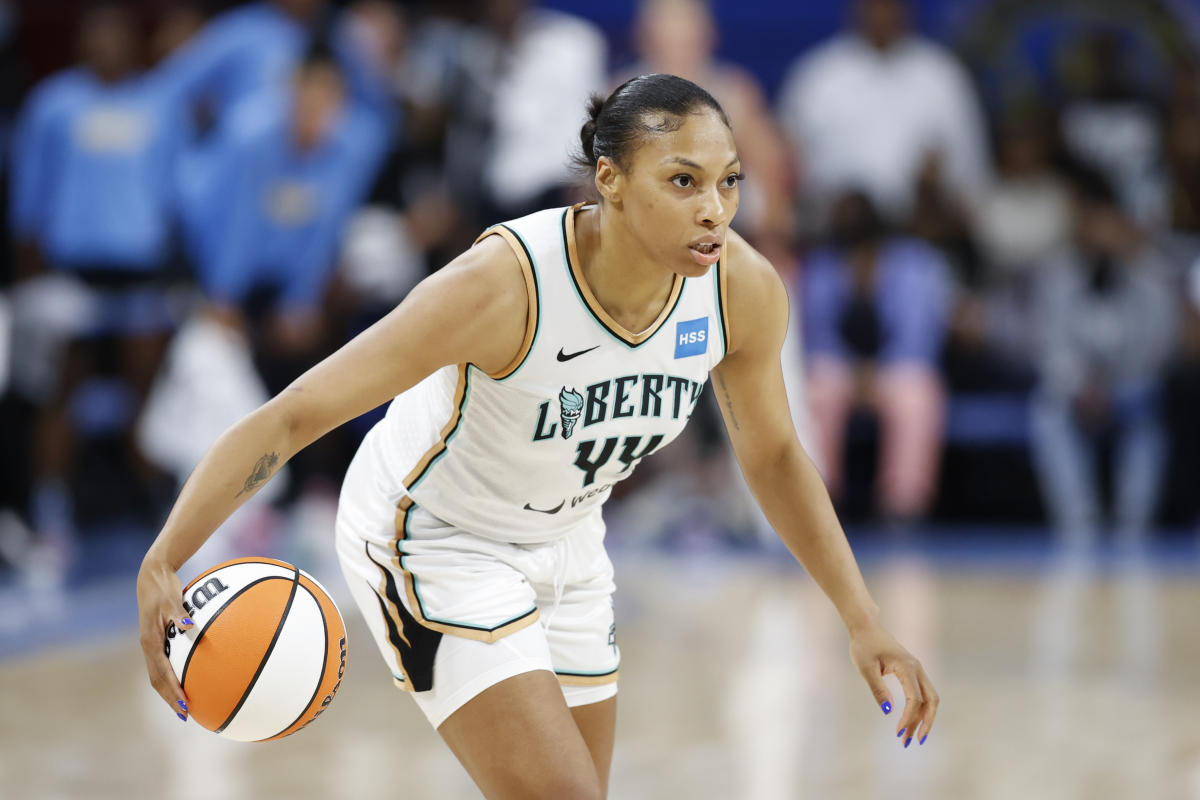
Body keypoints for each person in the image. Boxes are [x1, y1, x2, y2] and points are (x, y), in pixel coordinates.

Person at [137, 74, 938, 798]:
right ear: (611, 182)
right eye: (683, 181)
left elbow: (770, 455)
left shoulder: (742, 289)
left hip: (569, 543)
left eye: (729, 182)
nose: (714, 209)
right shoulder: (504, 286)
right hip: (432, 537)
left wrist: (861, 616)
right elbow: (298, 412)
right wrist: (168, 553)